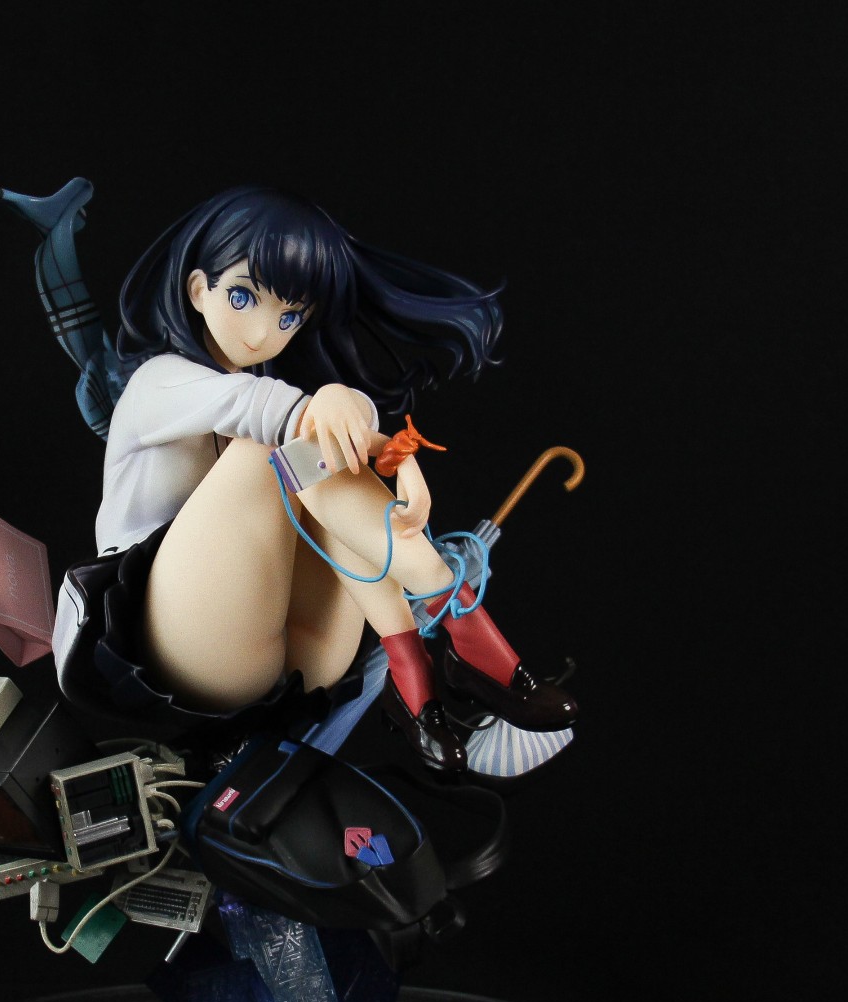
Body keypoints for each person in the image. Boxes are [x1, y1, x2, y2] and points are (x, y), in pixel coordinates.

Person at [52, 186, 576, 773]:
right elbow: (265, 411)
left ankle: (413, 671)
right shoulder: (159, 381)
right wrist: (338, 408)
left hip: (304, 658)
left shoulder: (268, 395)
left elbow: (320, 424)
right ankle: (464, 623)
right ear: (198, 290)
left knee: (314, 454)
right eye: (243, 296)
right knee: (277, 449)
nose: (262, 333)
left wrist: (393, 452)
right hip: (179, 646)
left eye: (288, 317)